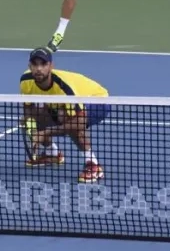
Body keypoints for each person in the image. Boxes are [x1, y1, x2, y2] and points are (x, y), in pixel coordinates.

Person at [19, 47, 110, 183]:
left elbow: (79, 121)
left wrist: (45, 133)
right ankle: (52, 153)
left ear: (51, 66)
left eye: (43, 64)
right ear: (29, 66)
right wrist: (31, 128)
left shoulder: (63, 87)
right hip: (63, 104)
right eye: (35, 64)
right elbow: (28, 111)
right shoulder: (26, 81)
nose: (39, 69)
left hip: (97, 101)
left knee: (68, 119)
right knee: (36, 113)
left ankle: (93, 164)